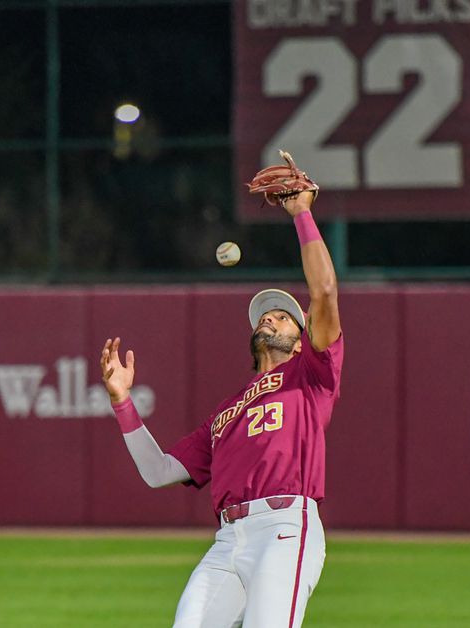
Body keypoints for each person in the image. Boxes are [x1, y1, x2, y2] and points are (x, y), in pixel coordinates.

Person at [99, 187, 342, 628]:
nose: (270, 317)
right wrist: (122, 402)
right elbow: (158, 472)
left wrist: (302, 214)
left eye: (283, 316)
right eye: (265, 315)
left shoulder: (311, 375)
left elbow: (324, 292)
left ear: (302, 335)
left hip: (285, 529)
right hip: (229, 538)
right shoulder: (226, 413)